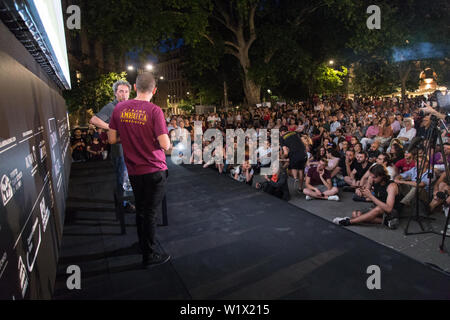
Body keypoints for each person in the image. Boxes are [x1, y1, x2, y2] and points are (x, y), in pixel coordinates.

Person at [108, 72, 171, 268]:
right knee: (150, 213)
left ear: (134, 87)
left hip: (134, 171)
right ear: (154, 90)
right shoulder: (154, 111)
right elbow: (165, 144)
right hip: (154, 169)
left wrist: (128, 139)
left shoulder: (119, 108)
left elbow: (111, 139)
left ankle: (142, 245)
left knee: (141, 211)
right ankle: (149, 255)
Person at [90, 80, 133, 195]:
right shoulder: (112, 106)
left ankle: (130, 201)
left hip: (131, 149)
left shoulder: (130, 106)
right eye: (121, 91)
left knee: (130, 177)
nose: (124, 94)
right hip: (119, 150)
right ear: (115, 93)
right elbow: (94, 120)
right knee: (122, 177)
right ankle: (124, 205)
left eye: (126, 92)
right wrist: (112, 127)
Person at [333, 164, 402, 229]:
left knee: (378, 209)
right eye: (371, 176)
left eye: (374, 177)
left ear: (382, 176)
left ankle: (348, 222)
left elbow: (389, 208)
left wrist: (371, 196)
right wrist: (361, 190)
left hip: (391, 211)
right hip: (378, 207)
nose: (372, 178)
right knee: (356, 214)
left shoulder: (391, 186)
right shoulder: (374, 180)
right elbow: (366, 191)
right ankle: (385, 222)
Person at [280, 126, 307, 193]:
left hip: (294, 154)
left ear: (281, 132)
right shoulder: (294, 132)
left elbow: (286, 152)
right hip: (303, 153)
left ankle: (295, 178)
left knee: (293, 166)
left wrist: (282, 157)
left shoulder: (282, 138)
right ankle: (300, 188)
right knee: (301, 170)